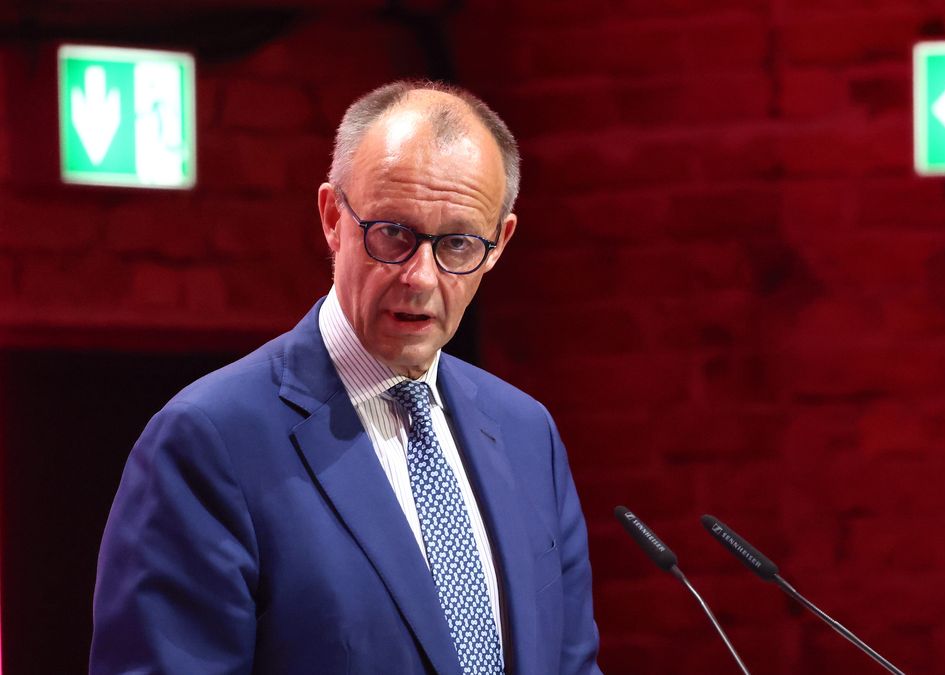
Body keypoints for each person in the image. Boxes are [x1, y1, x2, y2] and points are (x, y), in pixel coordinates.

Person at [90, 80, 602, 675]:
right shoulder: (208, 441)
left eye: (458, 244)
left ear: (498, 244)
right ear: (333, 218)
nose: (420, 277)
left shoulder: (527, 433)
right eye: (393, 234)